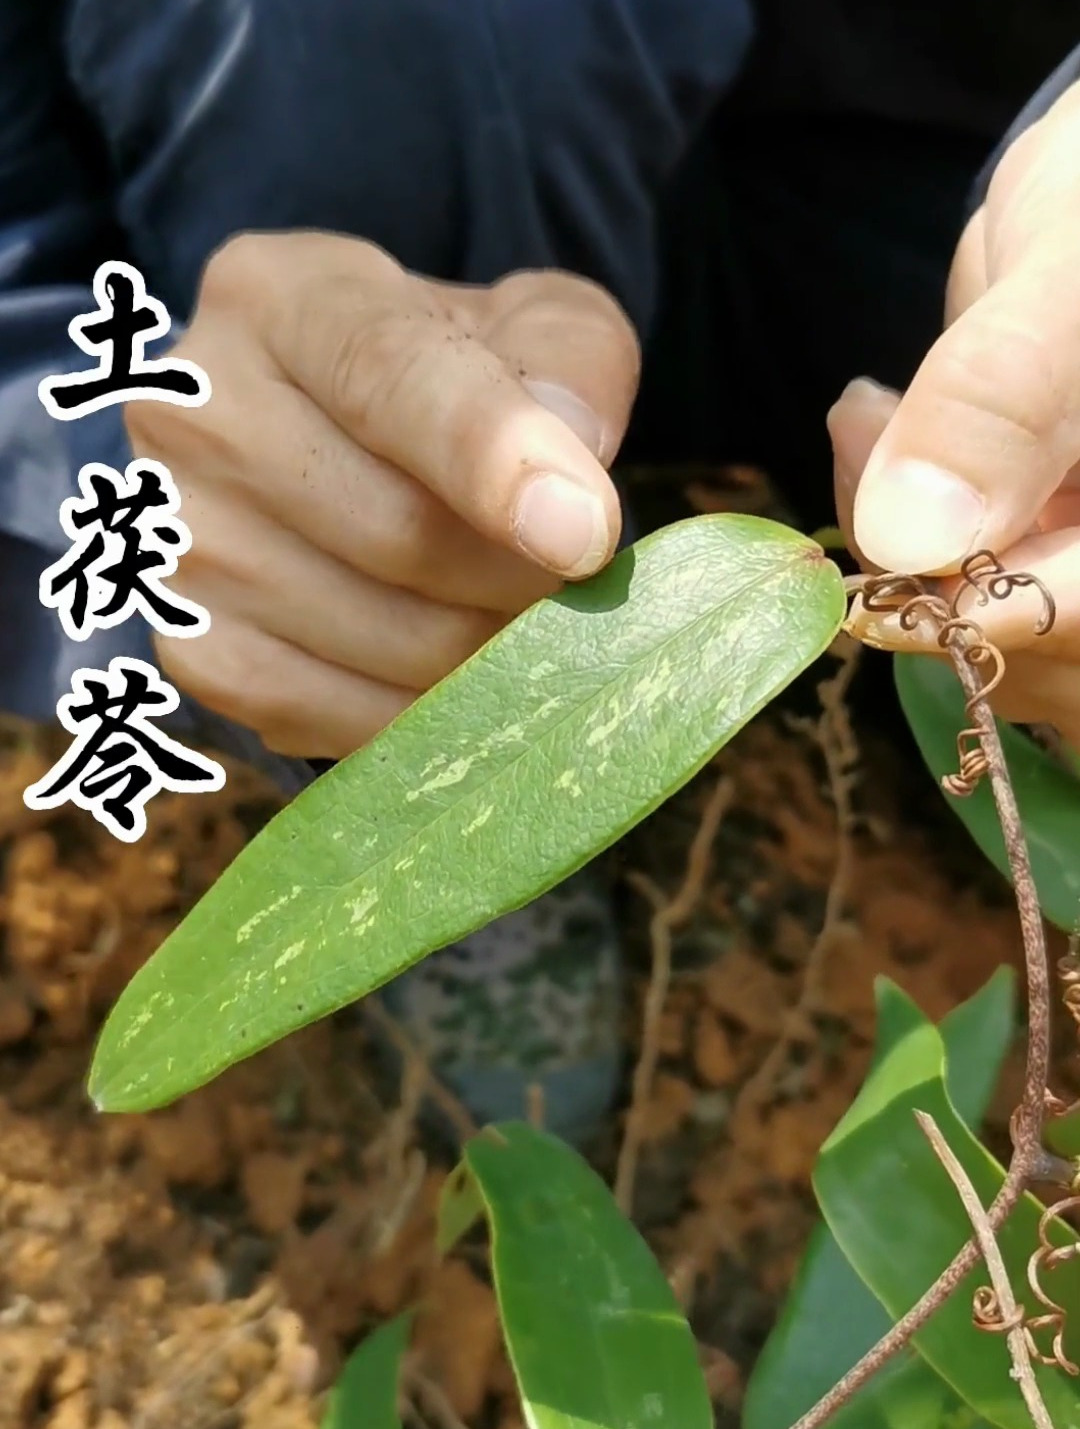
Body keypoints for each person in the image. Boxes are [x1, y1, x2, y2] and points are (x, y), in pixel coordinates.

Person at [2, 2, 1079, 1141]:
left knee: (993, 572)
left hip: (944, 182)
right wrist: (143, 476)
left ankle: (963, 677)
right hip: (374, 218)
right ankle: (445, 766)